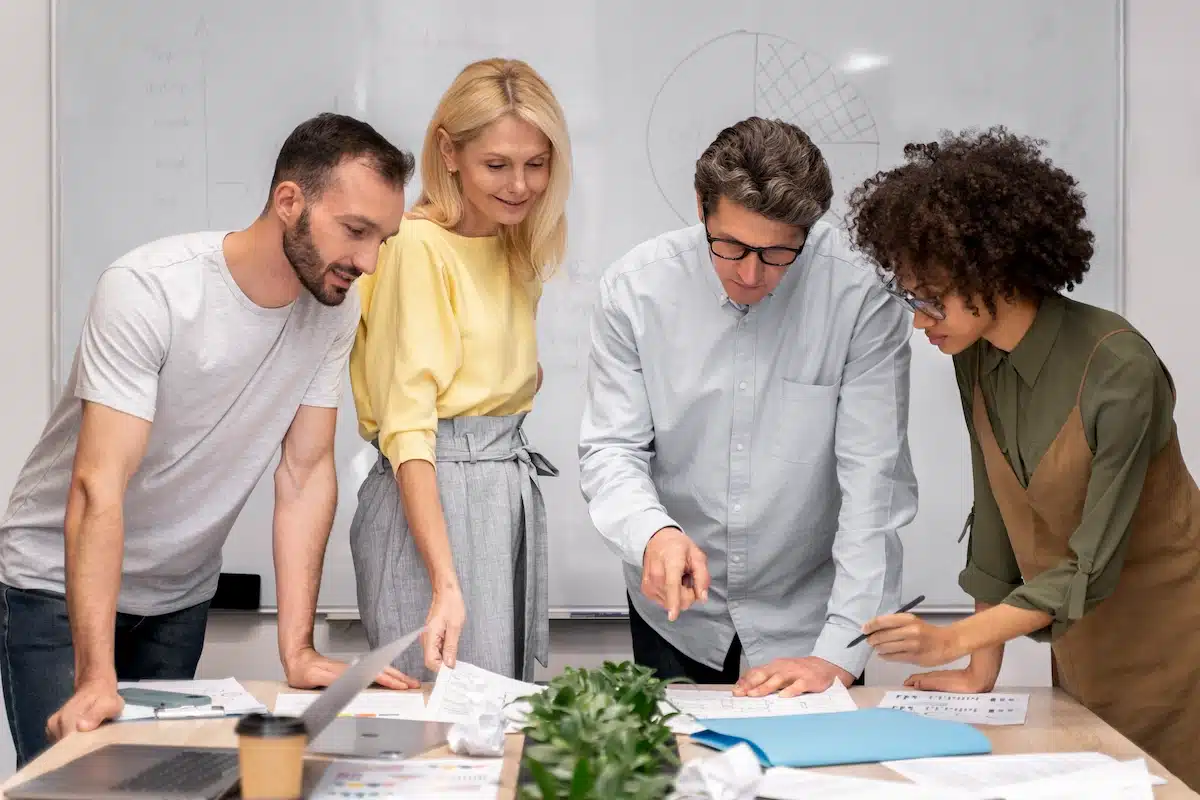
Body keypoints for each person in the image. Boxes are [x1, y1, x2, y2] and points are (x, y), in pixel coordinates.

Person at [0, 112, 416, 766]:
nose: (366, 262)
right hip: (56, 586)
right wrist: (94, 675)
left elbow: (304, 476)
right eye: (356, 231)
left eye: (381, 241)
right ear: (288, 202)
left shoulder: (333, 312)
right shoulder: (149, 290)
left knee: (159, 786)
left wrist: (299, 651)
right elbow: (97, 486)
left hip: (178, 595)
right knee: (74, 784)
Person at [848, 126, 1200, 789]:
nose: (920, 320)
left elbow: (1091, 567)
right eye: (911, 298)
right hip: (1086, 647)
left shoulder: (1119, 367)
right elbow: (997, 513)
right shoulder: (974, 356)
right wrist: (980, 669)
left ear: (993, 270)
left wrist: (953, 638)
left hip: (1177, 642)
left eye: (931, 297)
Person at [578, 116, 917, 696]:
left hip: (812, 617)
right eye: (730, 245)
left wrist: (839, 655)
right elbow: (612, 449)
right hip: (677, 613)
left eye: (779, 253)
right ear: (701, 208)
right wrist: (653, 534)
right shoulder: (636, 291)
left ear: (809, 230)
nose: (750, 273)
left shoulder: (861, 294)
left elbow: (873, 484)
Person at [348, 58, 570, 682]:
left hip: (502, 489)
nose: (520, 185)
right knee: (441, 730)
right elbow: (410, 430)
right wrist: (446, 581)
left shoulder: (512, 242)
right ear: (448, 152)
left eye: (536, 163)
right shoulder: (416, 245)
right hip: (434, 496)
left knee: (502, 719)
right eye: (496, 165)